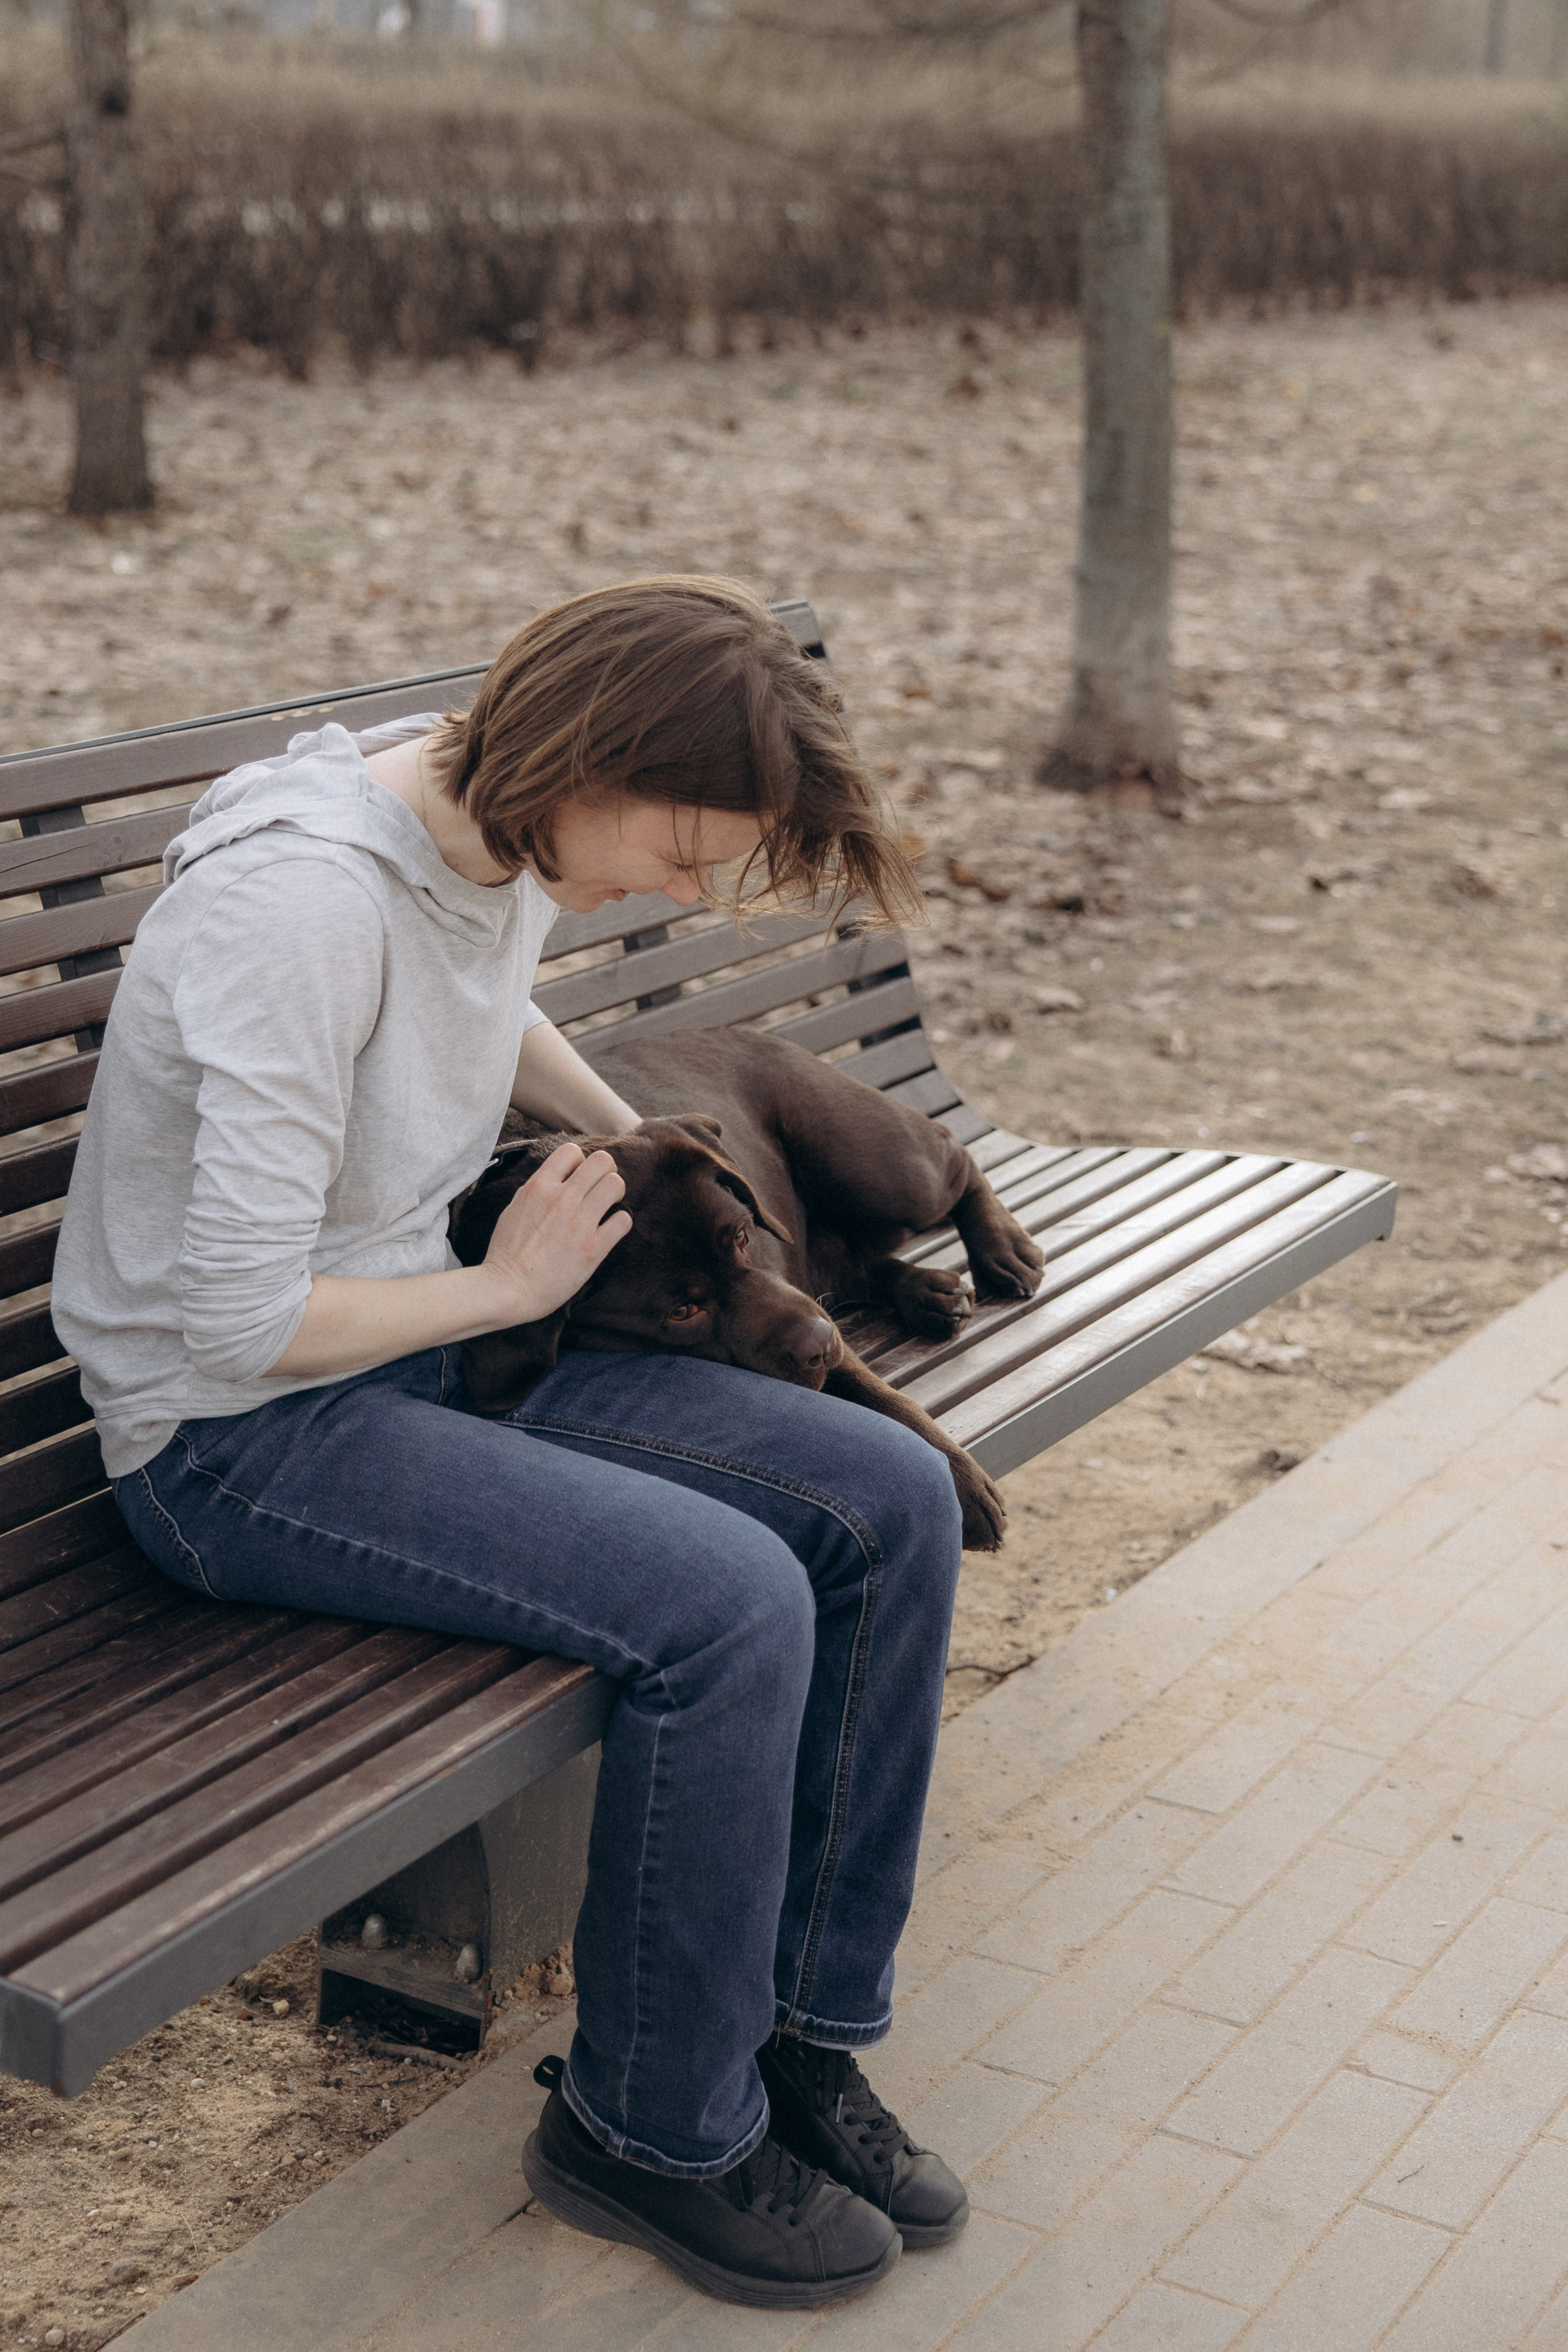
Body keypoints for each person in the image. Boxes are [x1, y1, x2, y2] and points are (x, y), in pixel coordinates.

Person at [53, 575, 970, 2311]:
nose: (687, 889)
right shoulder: (300, 905)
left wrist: (637, 1134)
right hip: (238, 1437)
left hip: (424, 1346)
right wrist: (502, 1291)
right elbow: (238, 1325)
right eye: (688, 844)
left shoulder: (484, 832)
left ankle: (792, 2041)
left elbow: (480, 994)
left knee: (891, 1497)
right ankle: (648, 2131)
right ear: (587, 757)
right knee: (730, 1607)